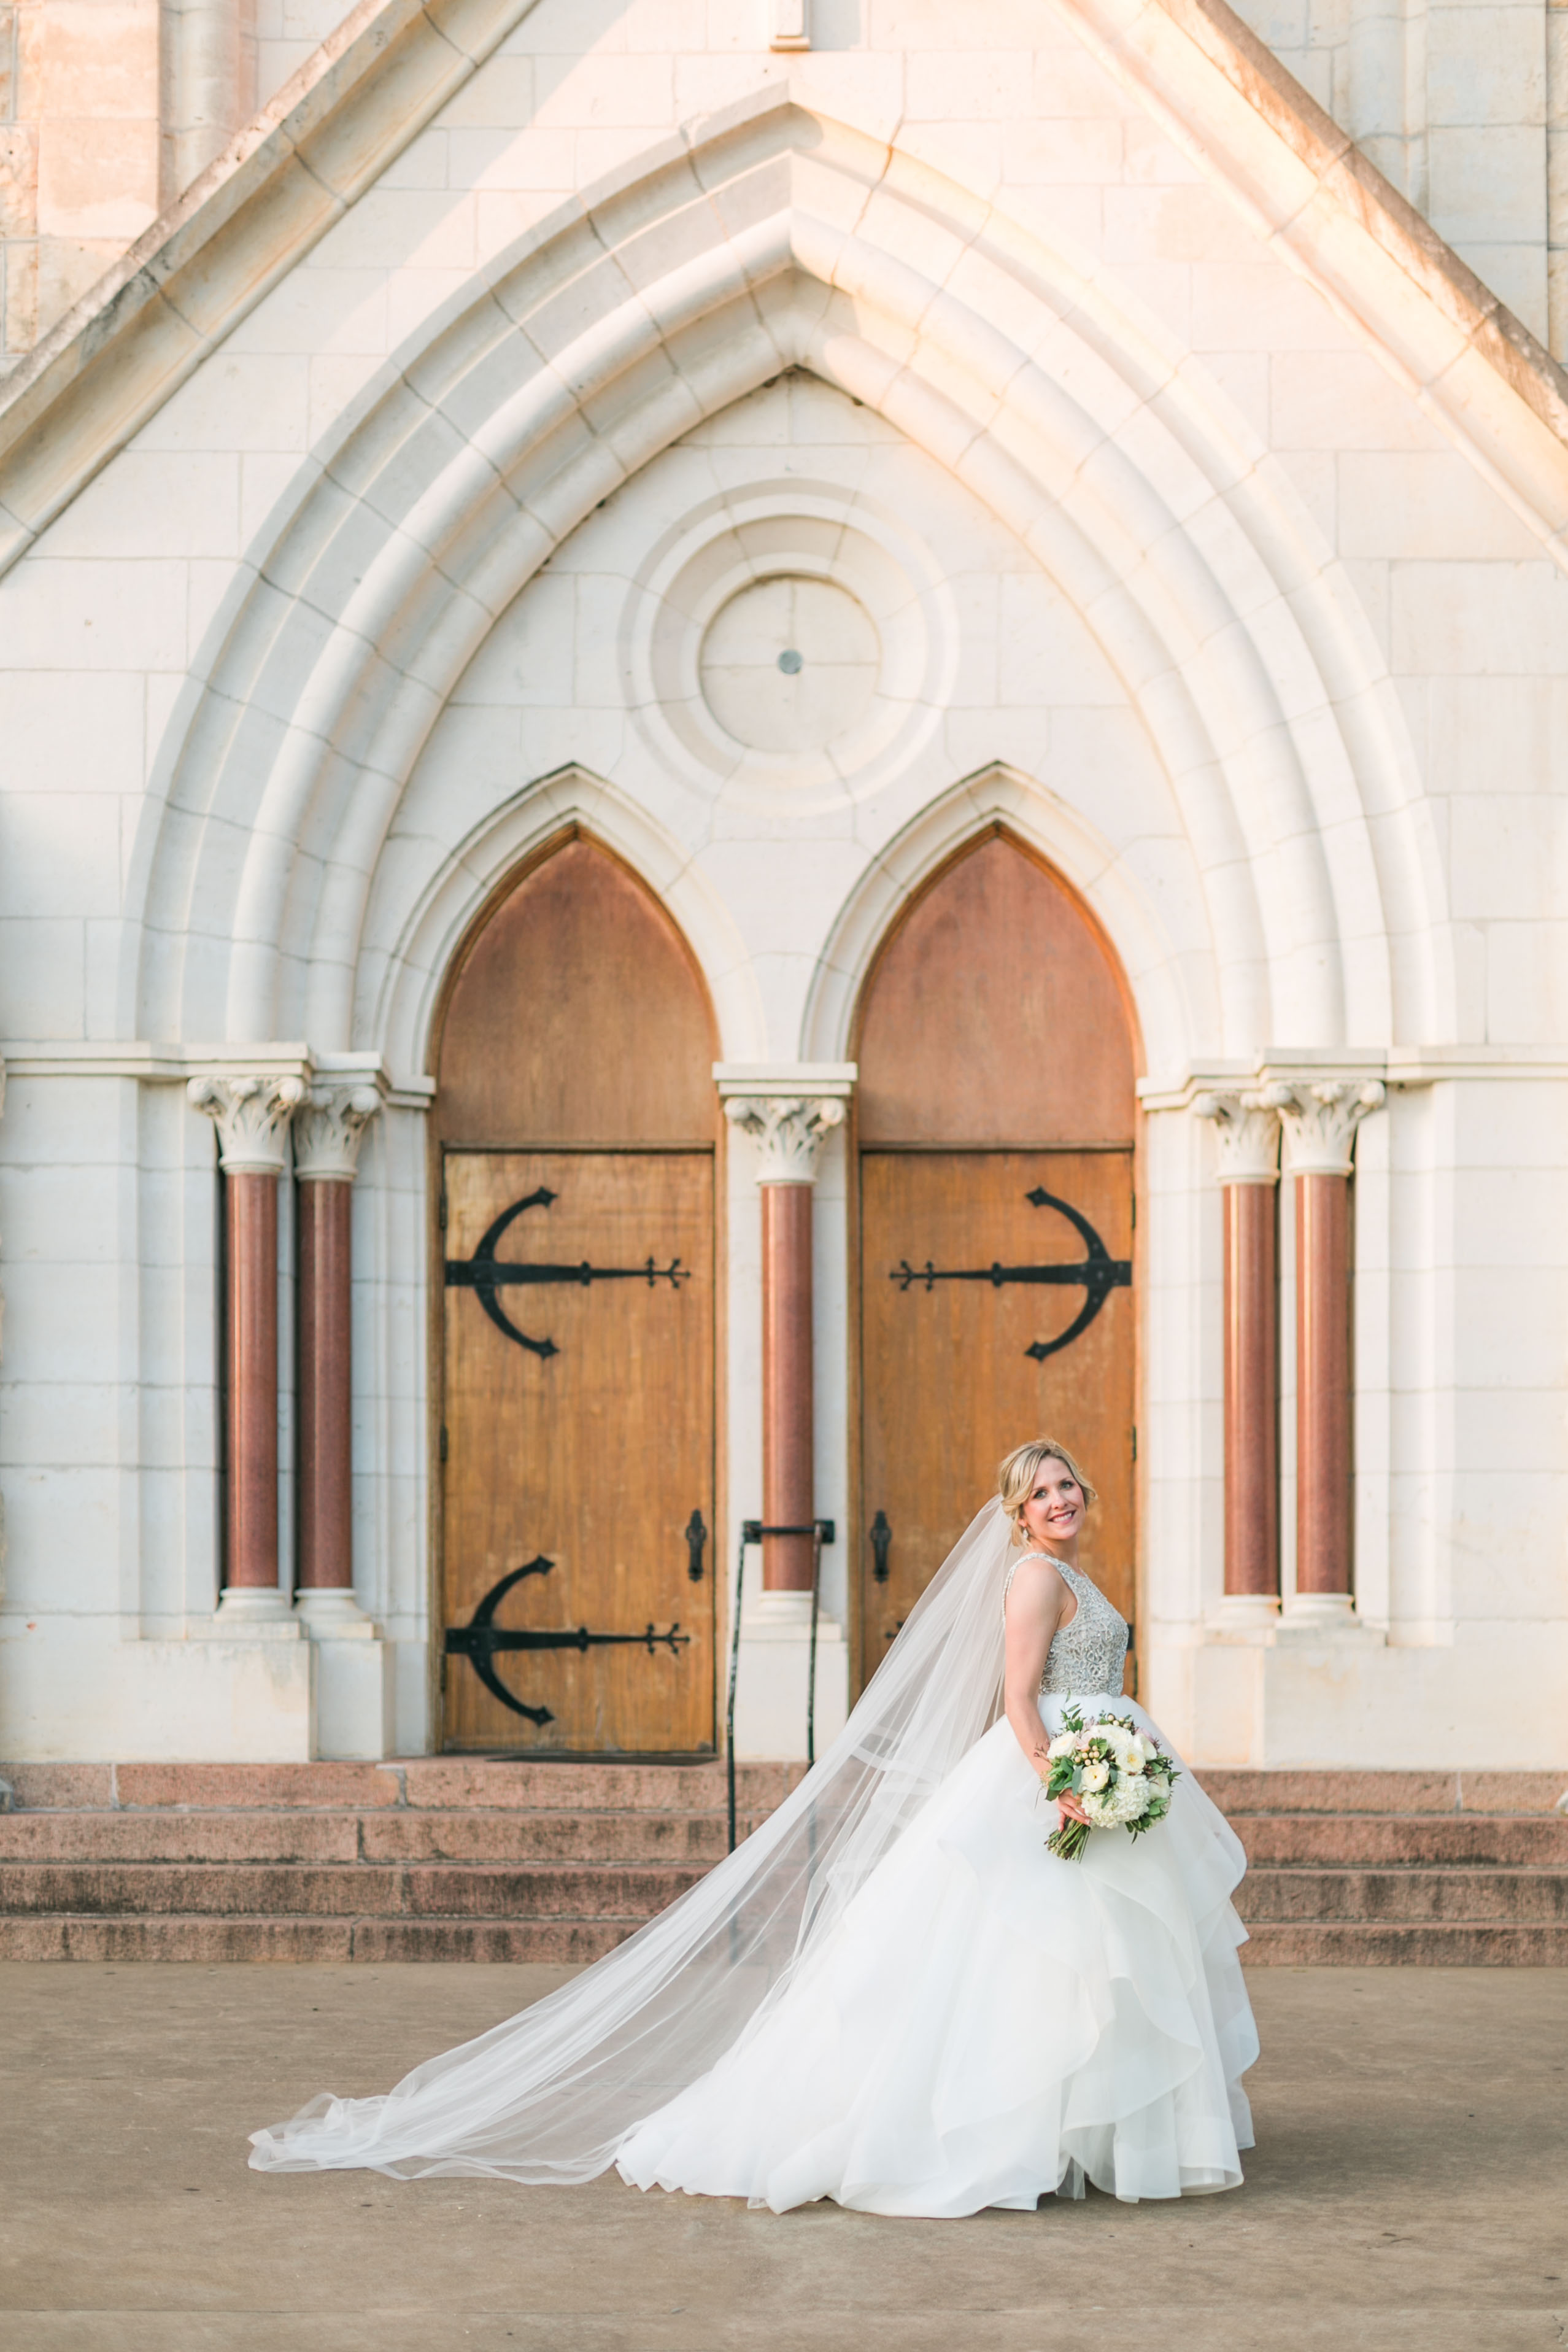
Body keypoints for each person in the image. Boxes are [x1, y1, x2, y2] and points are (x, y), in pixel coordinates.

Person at [251, 1439, 1258, 2213]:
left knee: (1093, 1961)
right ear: (1018, 1513)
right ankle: (1028, 2136)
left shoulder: (1074, 1574)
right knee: (1040, 1960)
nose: (1061, 1500)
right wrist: (1061, 1783)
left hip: (1109, 1767)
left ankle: (1090, 2138)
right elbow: (1017, 1695)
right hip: (1061, 1776)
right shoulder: (1036, 1576)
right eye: (1042, 1491)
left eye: (1068, 1484)